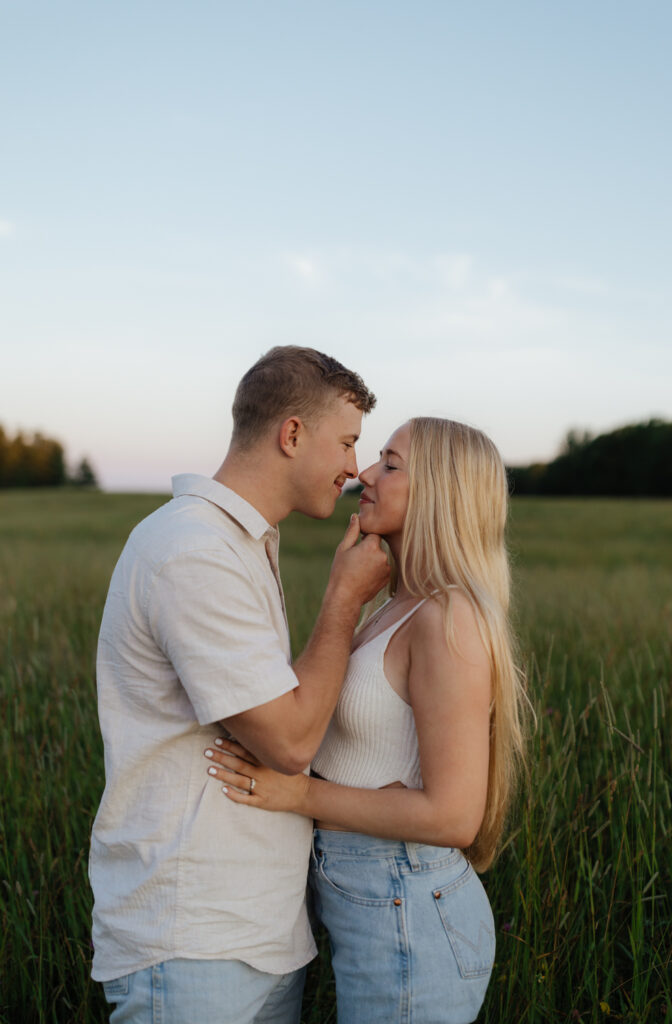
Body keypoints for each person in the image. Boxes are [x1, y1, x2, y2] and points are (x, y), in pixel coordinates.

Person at [89, 346, 391, 1024]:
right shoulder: (194, 549)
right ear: (291, 434)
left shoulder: (239, 541)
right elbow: (287, 740)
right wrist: (343, 599)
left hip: (250, 936)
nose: (354, 467)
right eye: (346, 441)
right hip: (194, 943)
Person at [204, 417, 529, 1024]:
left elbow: (455, 815)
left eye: (391, 463)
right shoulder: (398, 609)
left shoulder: (447, 618)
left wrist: (299, 795)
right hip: (378, 898)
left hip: (407, 902)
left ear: (440, 492)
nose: (365, 474)